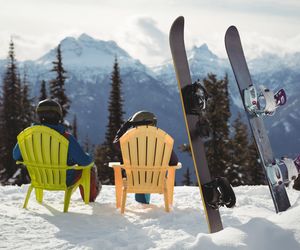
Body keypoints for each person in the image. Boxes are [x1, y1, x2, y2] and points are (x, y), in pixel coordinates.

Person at [13, 99, 101, 201]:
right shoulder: (65, 138)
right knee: (90, 168)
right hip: (64, 179)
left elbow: (16, 156)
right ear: (58, 116)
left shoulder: (27, 136)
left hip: (38, 178)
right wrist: (89, 156)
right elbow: (85, 162)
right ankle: (90, 198)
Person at [113, 110, 178, 204]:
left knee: (140, 173)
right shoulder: (162, 140)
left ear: (134, 125)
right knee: (148, 172)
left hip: (134, 181)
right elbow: (174, 162)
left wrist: (126, 125)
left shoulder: (127, 140)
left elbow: (115, 143)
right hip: (155, 181)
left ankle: (140, 201)